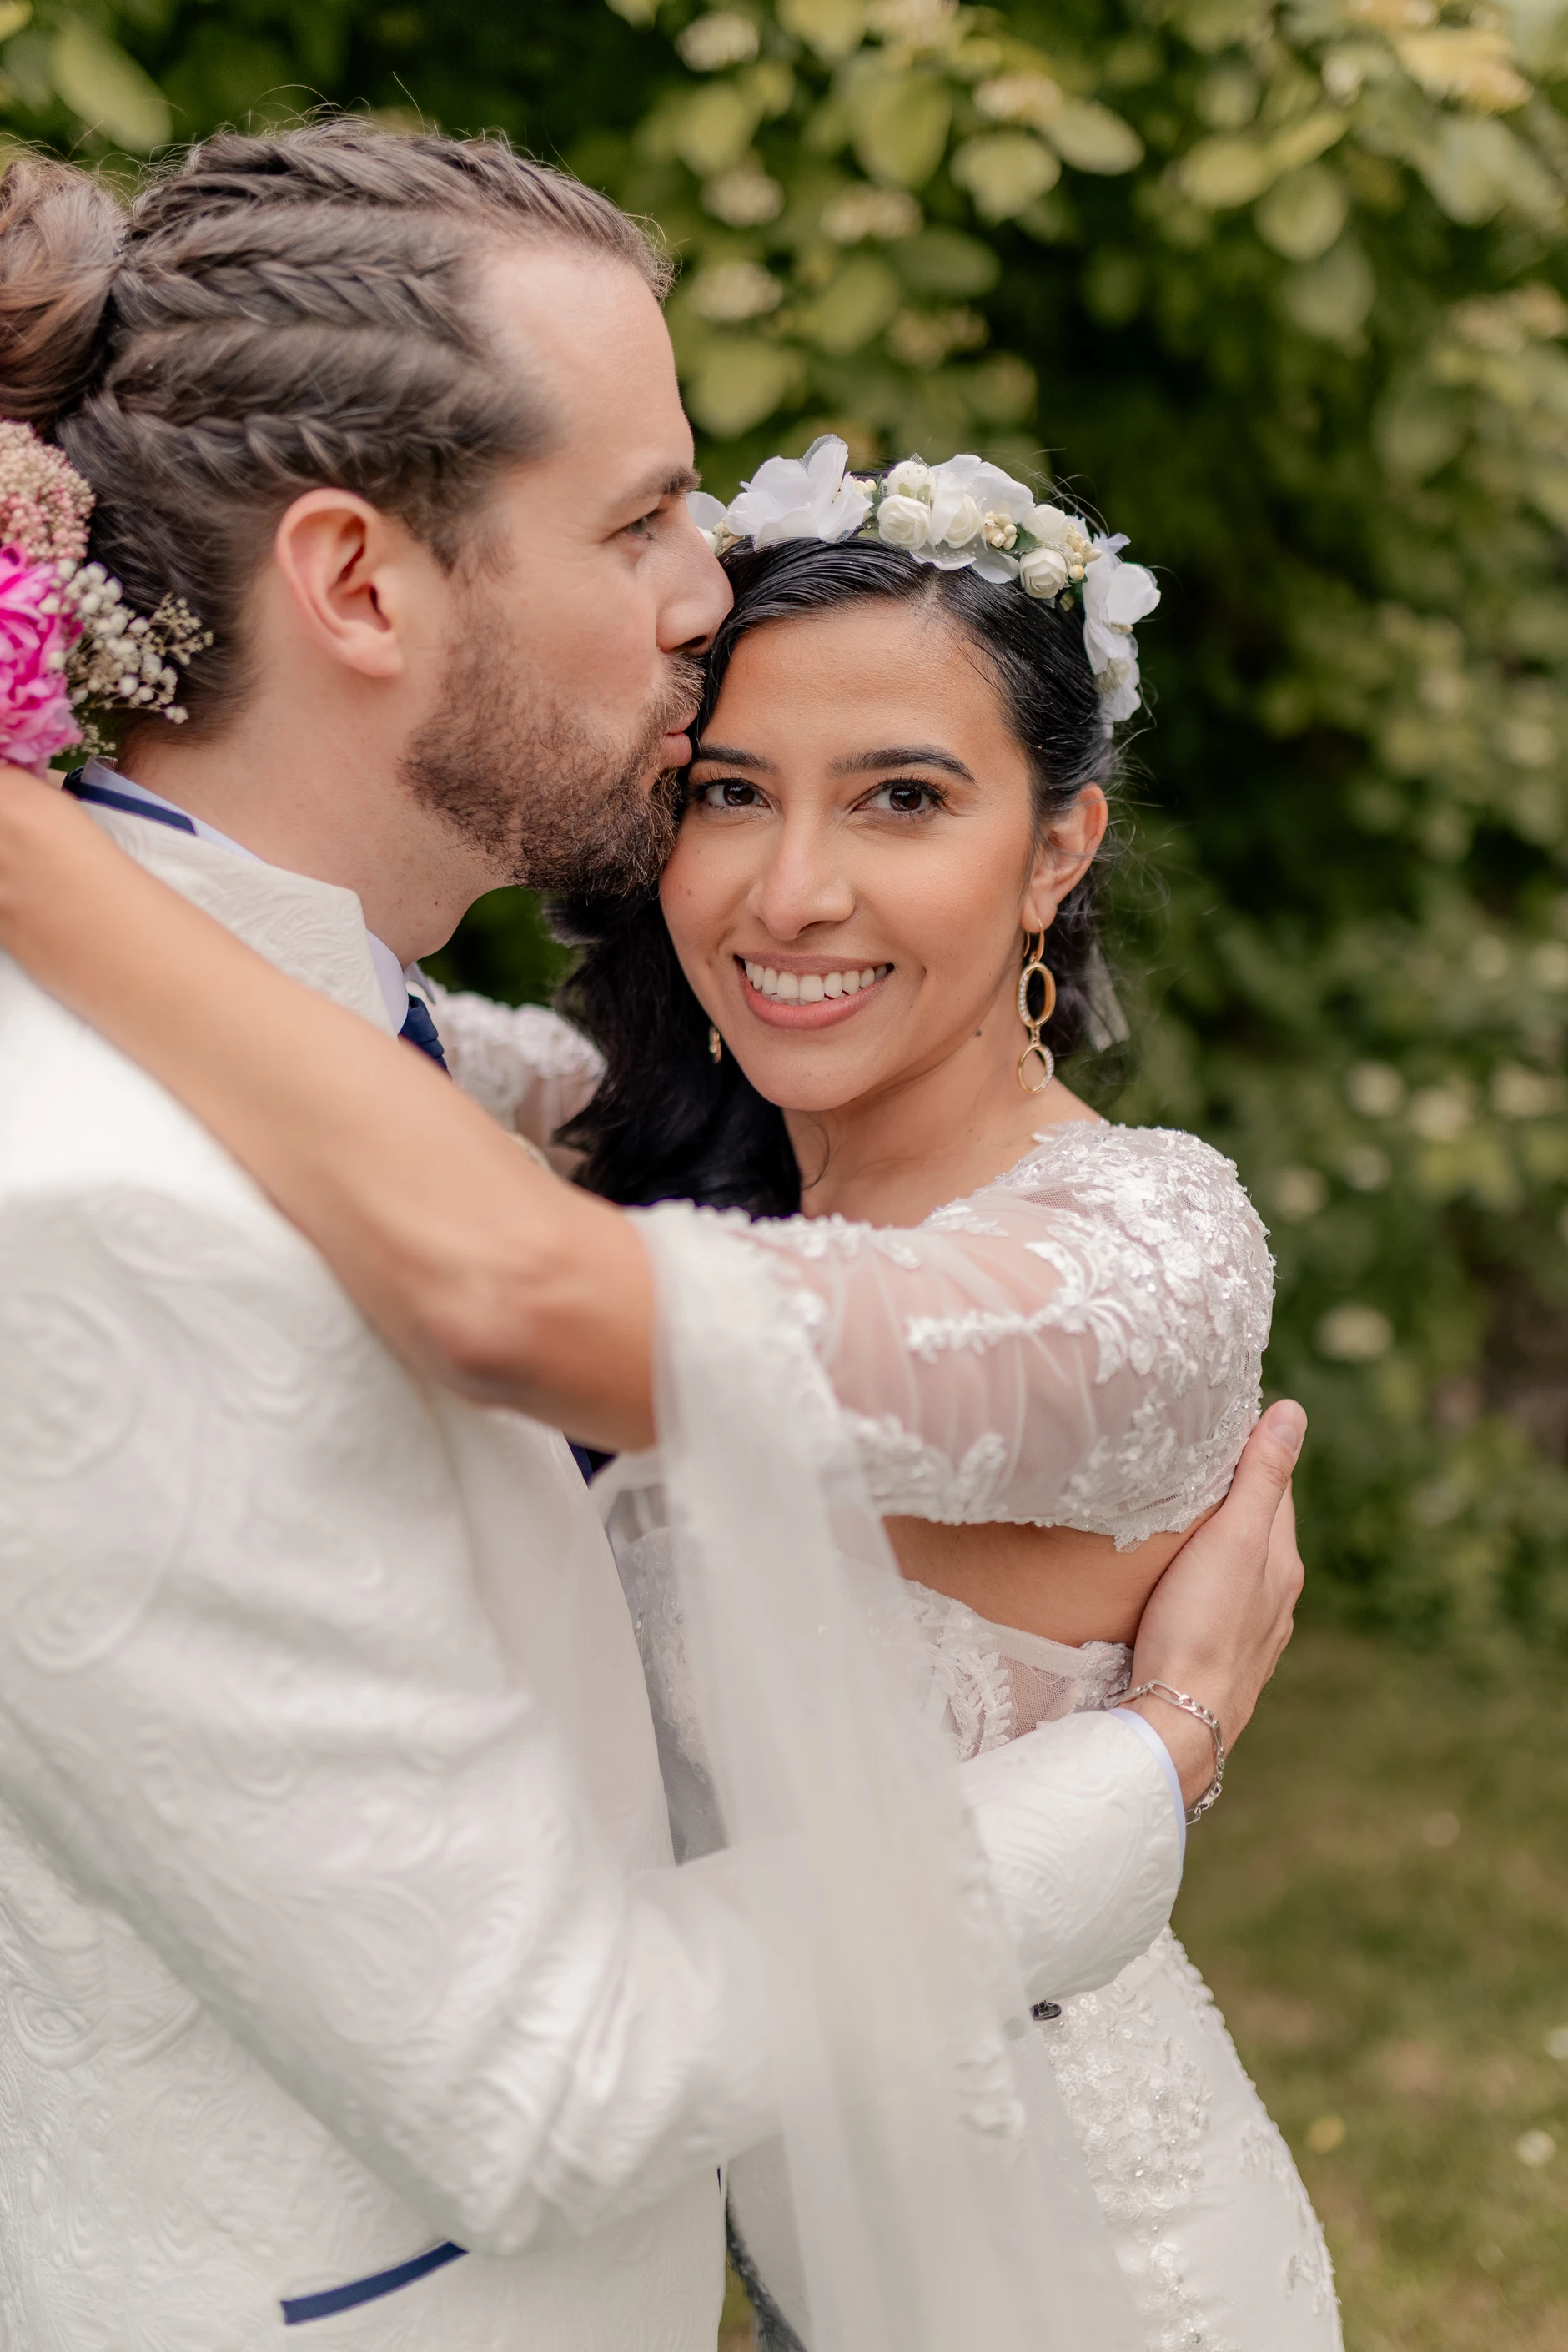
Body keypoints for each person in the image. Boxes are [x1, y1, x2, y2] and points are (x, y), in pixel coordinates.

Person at [0, 124, 1303, 2352]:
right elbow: (547, 2075)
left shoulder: (369, 1042)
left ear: (1059, 845)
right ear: (358, 579)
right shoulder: (98, 1209)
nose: (713, 587)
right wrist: (1157, 1747)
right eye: (640, 515)